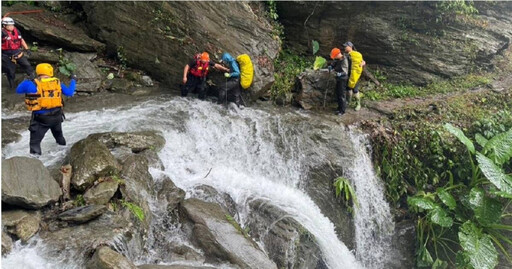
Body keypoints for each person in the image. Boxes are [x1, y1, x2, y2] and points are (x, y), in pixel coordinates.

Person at [16, 63, 76, 155]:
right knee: (59, 137)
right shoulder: (57, 83)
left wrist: (26, 80)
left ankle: (36, 163)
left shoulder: (31, 84)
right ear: (50, 72)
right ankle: (64, 154)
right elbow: (70, 92)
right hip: (57, 116)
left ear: (38, 72)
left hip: (41, 119)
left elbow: (18, 90)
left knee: (35, 143)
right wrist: (73, 80)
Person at [2, 17, 34, 89]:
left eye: (12, 25)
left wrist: (27, 49)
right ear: (4, 26)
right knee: (10, 71)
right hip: (7, 55)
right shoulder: (2, 33)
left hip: (18, 53)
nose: (11, 27)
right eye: (9, 25)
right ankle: (12, 86)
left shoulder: (16, 31)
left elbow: (21, 39)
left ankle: (33, 80)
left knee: (27, 65)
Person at [343, 41, 366, 111]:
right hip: (347, 74)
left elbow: (362, 61)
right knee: (348, 88)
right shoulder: (345, 55)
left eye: (345, 46)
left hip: (354, 75)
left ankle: (358, 104)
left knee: (355, 90)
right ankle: (348, 101)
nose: (344, 47)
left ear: (350, 47)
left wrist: (363, 63)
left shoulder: (356, 54)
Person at [328, 48, 349, 115]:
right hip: (338, 78)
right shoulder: (336, 59)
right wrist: (331, 66)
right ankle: (339, 108)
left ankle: (342, 110)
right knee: (338, 93)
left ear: (338, 54)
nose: (334, 58)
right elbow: (333, 64)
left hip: (343, 79)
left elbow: (345, 71)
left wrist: (340, 74)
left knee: (342, 94)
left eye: (334, 56)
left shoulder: (344, 60)